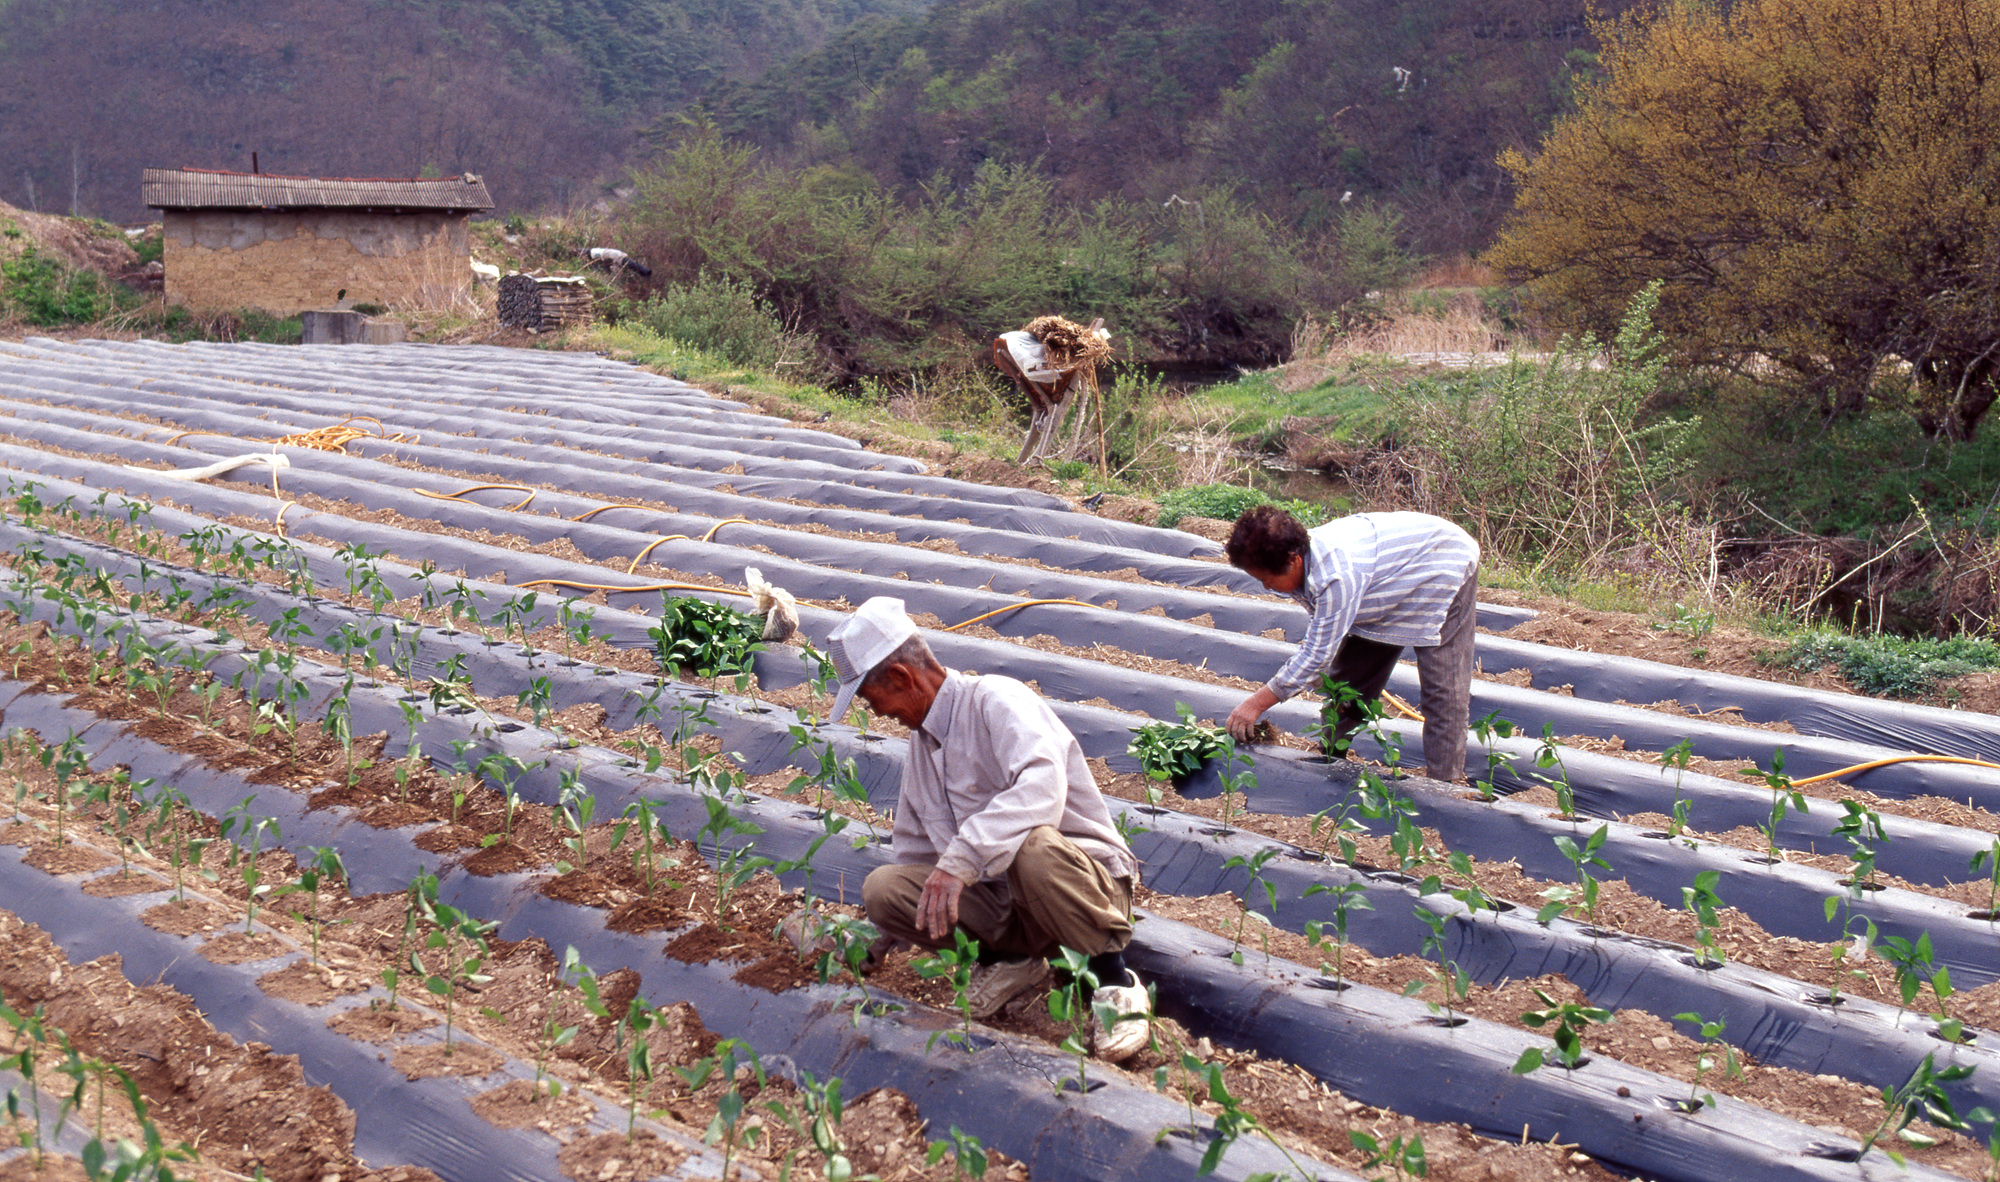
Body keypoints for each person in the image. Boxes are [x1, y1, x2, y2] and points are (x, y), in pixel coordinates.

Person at [825, 596, 1151, 1060]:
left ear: (901, 677)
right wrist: (878, 936)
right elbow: (917, 857)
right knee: (884, 889)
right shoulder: (923, 745)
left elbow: (1042, 789)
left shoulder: (997, 699)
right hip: (1010, 904)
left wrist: (961, 861)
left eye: (869, 697)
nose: (875, 713)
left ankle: (1115, 981)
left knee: (1030, 844)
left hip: (1081, 887)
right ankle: (1011, 962)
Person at [1223, 507, 1480, 782]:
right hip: (1384, 580)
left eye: (1266, 579)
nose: (1265, 587)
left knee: (1443, 688)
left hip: (1443, 559)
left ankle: (1445, 785)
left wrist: (1255, 704)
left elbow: (1316, 655)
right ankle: (1331, 760)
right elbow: (1323, 641)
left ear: (1294, 559)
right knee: (1346, 686)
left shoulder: (1337, 575)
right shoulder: (1304, 558)